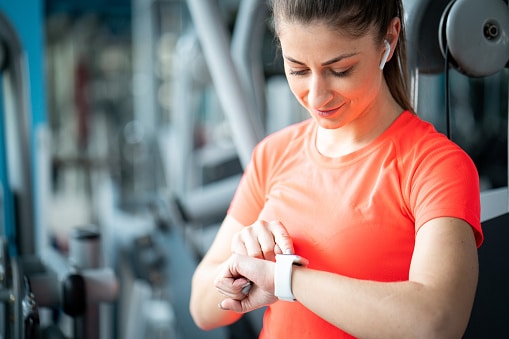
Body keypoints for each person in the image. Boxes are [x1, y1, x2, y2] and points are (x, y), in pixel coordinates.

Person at [189, 0, 484, 338]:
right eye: (298, 69)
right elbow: (201, 307)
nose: (316, 97)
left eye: (339, 70)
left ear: (388, 39)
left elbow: (437, 323)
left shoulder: (435, 166)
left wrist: (287, 279)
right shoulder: (272, 154)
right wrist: (244, 264)